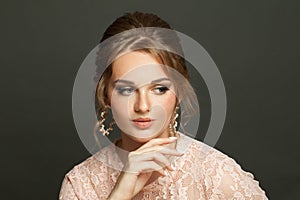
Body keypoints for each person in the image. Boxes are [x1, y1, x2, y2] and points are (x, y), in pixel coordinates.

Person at [59, 12, 268, 199]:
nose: (143, 106)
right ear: (105, 94)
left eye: (159, 89)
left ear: (178, 91)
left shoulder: (216, 174)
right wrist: (120, 194)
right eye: (126, 90)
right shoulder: (80, 184)